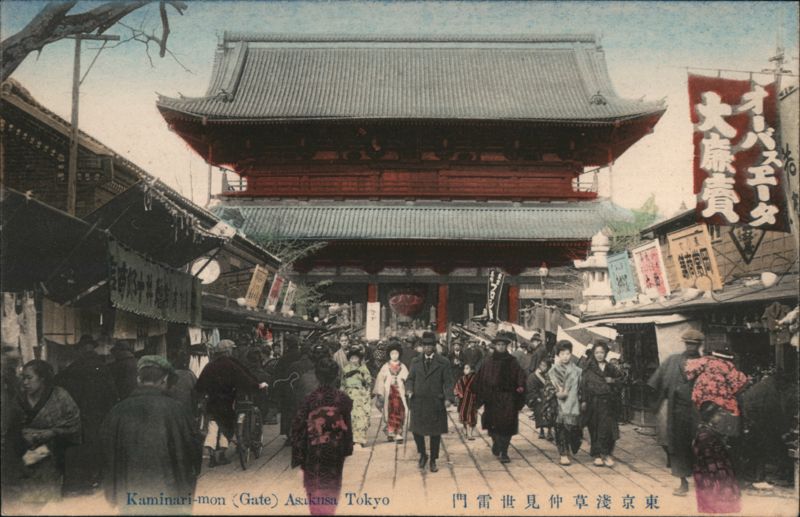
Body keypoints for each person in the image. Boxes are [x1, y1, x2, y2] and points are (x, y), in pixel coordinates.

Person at [101, 356, 203, 512]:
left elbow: (107, 456)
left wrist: (112, 495)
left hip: (129, 497)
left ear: (138, 379)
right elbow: (193, 451)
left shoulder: (117, 411)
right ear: (165, 380)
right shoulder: (177, 410)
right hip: (170, 496)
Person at [4, 360, 81, 507]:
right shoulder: (19, 398)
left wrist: (51, 432)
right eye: (23, 378)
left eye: (29, 378)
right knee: (26, 502)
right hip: (25, 458)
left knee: (49, 503)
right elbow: (10, 426)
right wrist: (22, 434)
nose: (25, 383)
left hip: (53, 457)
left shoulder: (60, 396)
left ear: (42, 378)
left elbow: (74, 424)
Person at [55, 334, 119, 494]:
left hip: (79, 414)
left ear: (81, 349)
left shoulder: (74, 367)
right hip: (99, 415)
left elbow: (58, 384)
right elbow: (112, 394)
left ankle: (81, 481)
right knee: (96, 445)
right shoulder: (103, 367)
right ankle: (94, 478)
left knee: (79, 447)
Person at [291, 358, 353, 516]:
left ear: (317, 376)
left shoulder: (309, 399)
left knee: (314, 486)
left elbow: (298, 427)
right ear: (336, 376)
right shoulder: (343, 399)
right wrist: (347, 449)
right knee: (333, 485)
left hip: (313, 450)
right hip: (335, 449)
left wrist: (299, 456)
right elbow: (347, 426)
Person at [647, 329, 703, 496]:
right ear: (684, 343)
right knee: (678, 445)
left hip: (699, 411)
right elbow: (655, 382)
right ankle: (683, 482)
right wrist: (656, 403)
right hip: (677, 410)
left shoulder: (705, 364)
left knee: (700, 445)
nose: (691, 347)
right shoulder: (673, 361)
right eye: (688, 343)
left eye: (694, 344)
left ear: (699, 345)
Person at [194, 339, 268, 467]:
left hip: (212, 402)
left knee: (213, 426)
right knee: (227, 427)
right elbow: (244, 379)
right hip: (227, 402)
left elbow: (199, 385)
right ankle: (222, 454)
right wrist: (257, 386)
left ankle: (212, 457)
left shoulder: (210, 366)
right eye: (232, 350)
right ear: (228, 351)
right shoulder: (232, 364)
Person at [473, 332, 526, 463]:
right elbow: (480, 379)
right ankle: (496, 442)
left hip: (508, 398)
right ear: (495, 346)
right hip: (492, 398)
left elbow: (520, 376)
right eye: (499, 345)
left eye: (503, 345)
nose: (501, 347)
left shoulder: (512, 361)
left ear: (506, 346)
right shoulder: (488, 361)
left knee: (508, 424)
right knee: (493, 424)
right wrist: (479, 397)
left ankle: (504, 452)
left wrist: (520, 387)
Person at [406, 331, 454, 473]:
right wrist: (409, 390)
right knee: (416, 431)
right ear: (422, 346)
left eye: (430, 345)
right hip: (418, 401)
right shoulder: (415, 361)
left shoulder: (443, 362)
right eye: (425, 345)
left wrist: (448, 398)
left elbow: (448, 382)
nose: (427, 348)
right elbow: (410, 379)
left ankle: (433, 459)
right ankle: (423, 454)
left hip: (435, 402)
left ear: (434, 346)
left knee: (435, 433)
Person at [692, 402, 742, 514]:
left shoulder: (710, 431)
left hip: (715, 471)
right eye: (718, 414)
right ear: (710, 417)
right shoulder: (704, 435)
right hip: (712, 474)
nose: (720, 417)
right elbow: (709, 459)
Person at [580, 341, 622, 467]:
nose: (599, 355)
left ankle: (607, 454)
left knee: (609, 429)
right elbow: (584, 386)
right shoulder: (589, 368)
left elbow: (621, 381)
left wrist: (613, 381)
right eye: (597, 352)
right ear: (593, 353)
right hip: (594, 403)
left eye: (602, 352)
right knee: (595, 428)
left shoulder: (610, 368)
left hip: (609, 403)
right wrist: (584, 401)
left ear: (606, 353)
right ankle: (597, 455)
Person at [549, 340, 583, 466]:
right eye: (562, 354)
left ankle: (571, 446)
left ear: (571, 354)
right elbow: (548, 386)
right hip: (558, 404)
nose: (565, 357)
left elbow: (581, 388)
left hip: (574, 404)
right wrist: (555, 393)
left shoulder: (578, 371)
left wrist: (582, 400)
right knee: (561, 430)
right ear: (558, 355)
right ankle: (563, 453)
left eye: (567, 354)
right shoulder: (553, 370)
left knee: (574, 431)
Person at [373, 340, 409, 443]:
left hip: (399, 393)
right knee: (389, 412)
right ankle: (391, 431)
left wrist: (408, 389)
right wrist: (380, 393)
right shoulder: (385, 367)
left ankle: (398, 432)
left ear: (399, 354)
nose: (394, 355)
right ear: (389, 354)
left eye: (396, 353)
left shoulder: (403, 366)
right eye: (392, 353)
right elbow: (380, 380)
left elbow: (408, 379)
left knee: (400, 411)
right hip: (389, 393)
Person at [340, 345, 372, 449]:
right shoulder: (345, 369)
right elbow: (342, 383)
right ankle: (351, 439)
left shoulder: (363, 369)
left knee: (361, 417)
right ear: (349, 359)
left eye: (356, 358)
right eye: (352, 358)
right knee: (350, 417)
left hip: (360, 395)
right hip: (349, 395)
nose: (354, 360)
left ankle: (359, 439)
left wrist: (367, 393)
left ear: (359, 358)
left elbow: (368, 382)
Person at [526, 357, 556, 441]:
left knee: (551, 413)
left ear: (549, 366)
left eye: (545, 365)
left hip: (549, 396)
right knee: (539, 413)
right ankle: (541, 430)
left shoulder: (552, 375)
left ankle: (549, 431)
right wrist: (535, 397)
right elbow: (531, 387)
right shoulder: (534, 376)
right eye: (541, 365)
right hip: (539, 397)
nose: (543, 367)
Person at [453, 363, 479, 440]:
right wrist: (458, 394)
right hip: (463, 401)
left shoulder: (476, 378)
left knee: (472, 418)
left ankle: (469, 434)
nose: (465, 370)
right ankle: (467, 433)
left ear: (471, 369)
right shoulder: (462, 379)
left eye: (467, 368)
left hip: (472, 400)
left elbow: (480, 388)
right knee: (464, 417)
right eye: (464, 368)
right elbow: (457, 388)